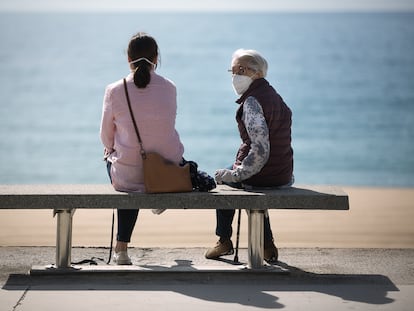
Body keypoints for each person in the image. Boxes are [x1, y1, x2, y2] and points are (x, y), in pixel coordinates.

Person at [100, 32, 186, 265]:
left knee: (122, 164)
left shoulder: (114, 90)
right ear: (156, 58)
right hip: (167, 169)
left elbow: (105, 136)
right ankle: (157, 193)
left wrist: (110, 151)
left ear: (128, 58)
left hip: (129, 175)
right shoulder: (170, 87)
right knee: (144, 159)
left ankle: (122, 249)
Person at [205, 49, 294, 263]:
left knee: (222, 182)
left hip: (264, 173)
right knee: (233, 173)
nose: (235, 76)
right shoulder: (274, 96)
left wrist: (236, 175)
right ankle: (267, 244)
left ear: (258, 74)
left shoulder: (253, 102)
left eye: (241, 70)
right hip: (282, 172)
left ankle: (224, 240)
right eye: (233, 71)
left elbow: (260, 151)